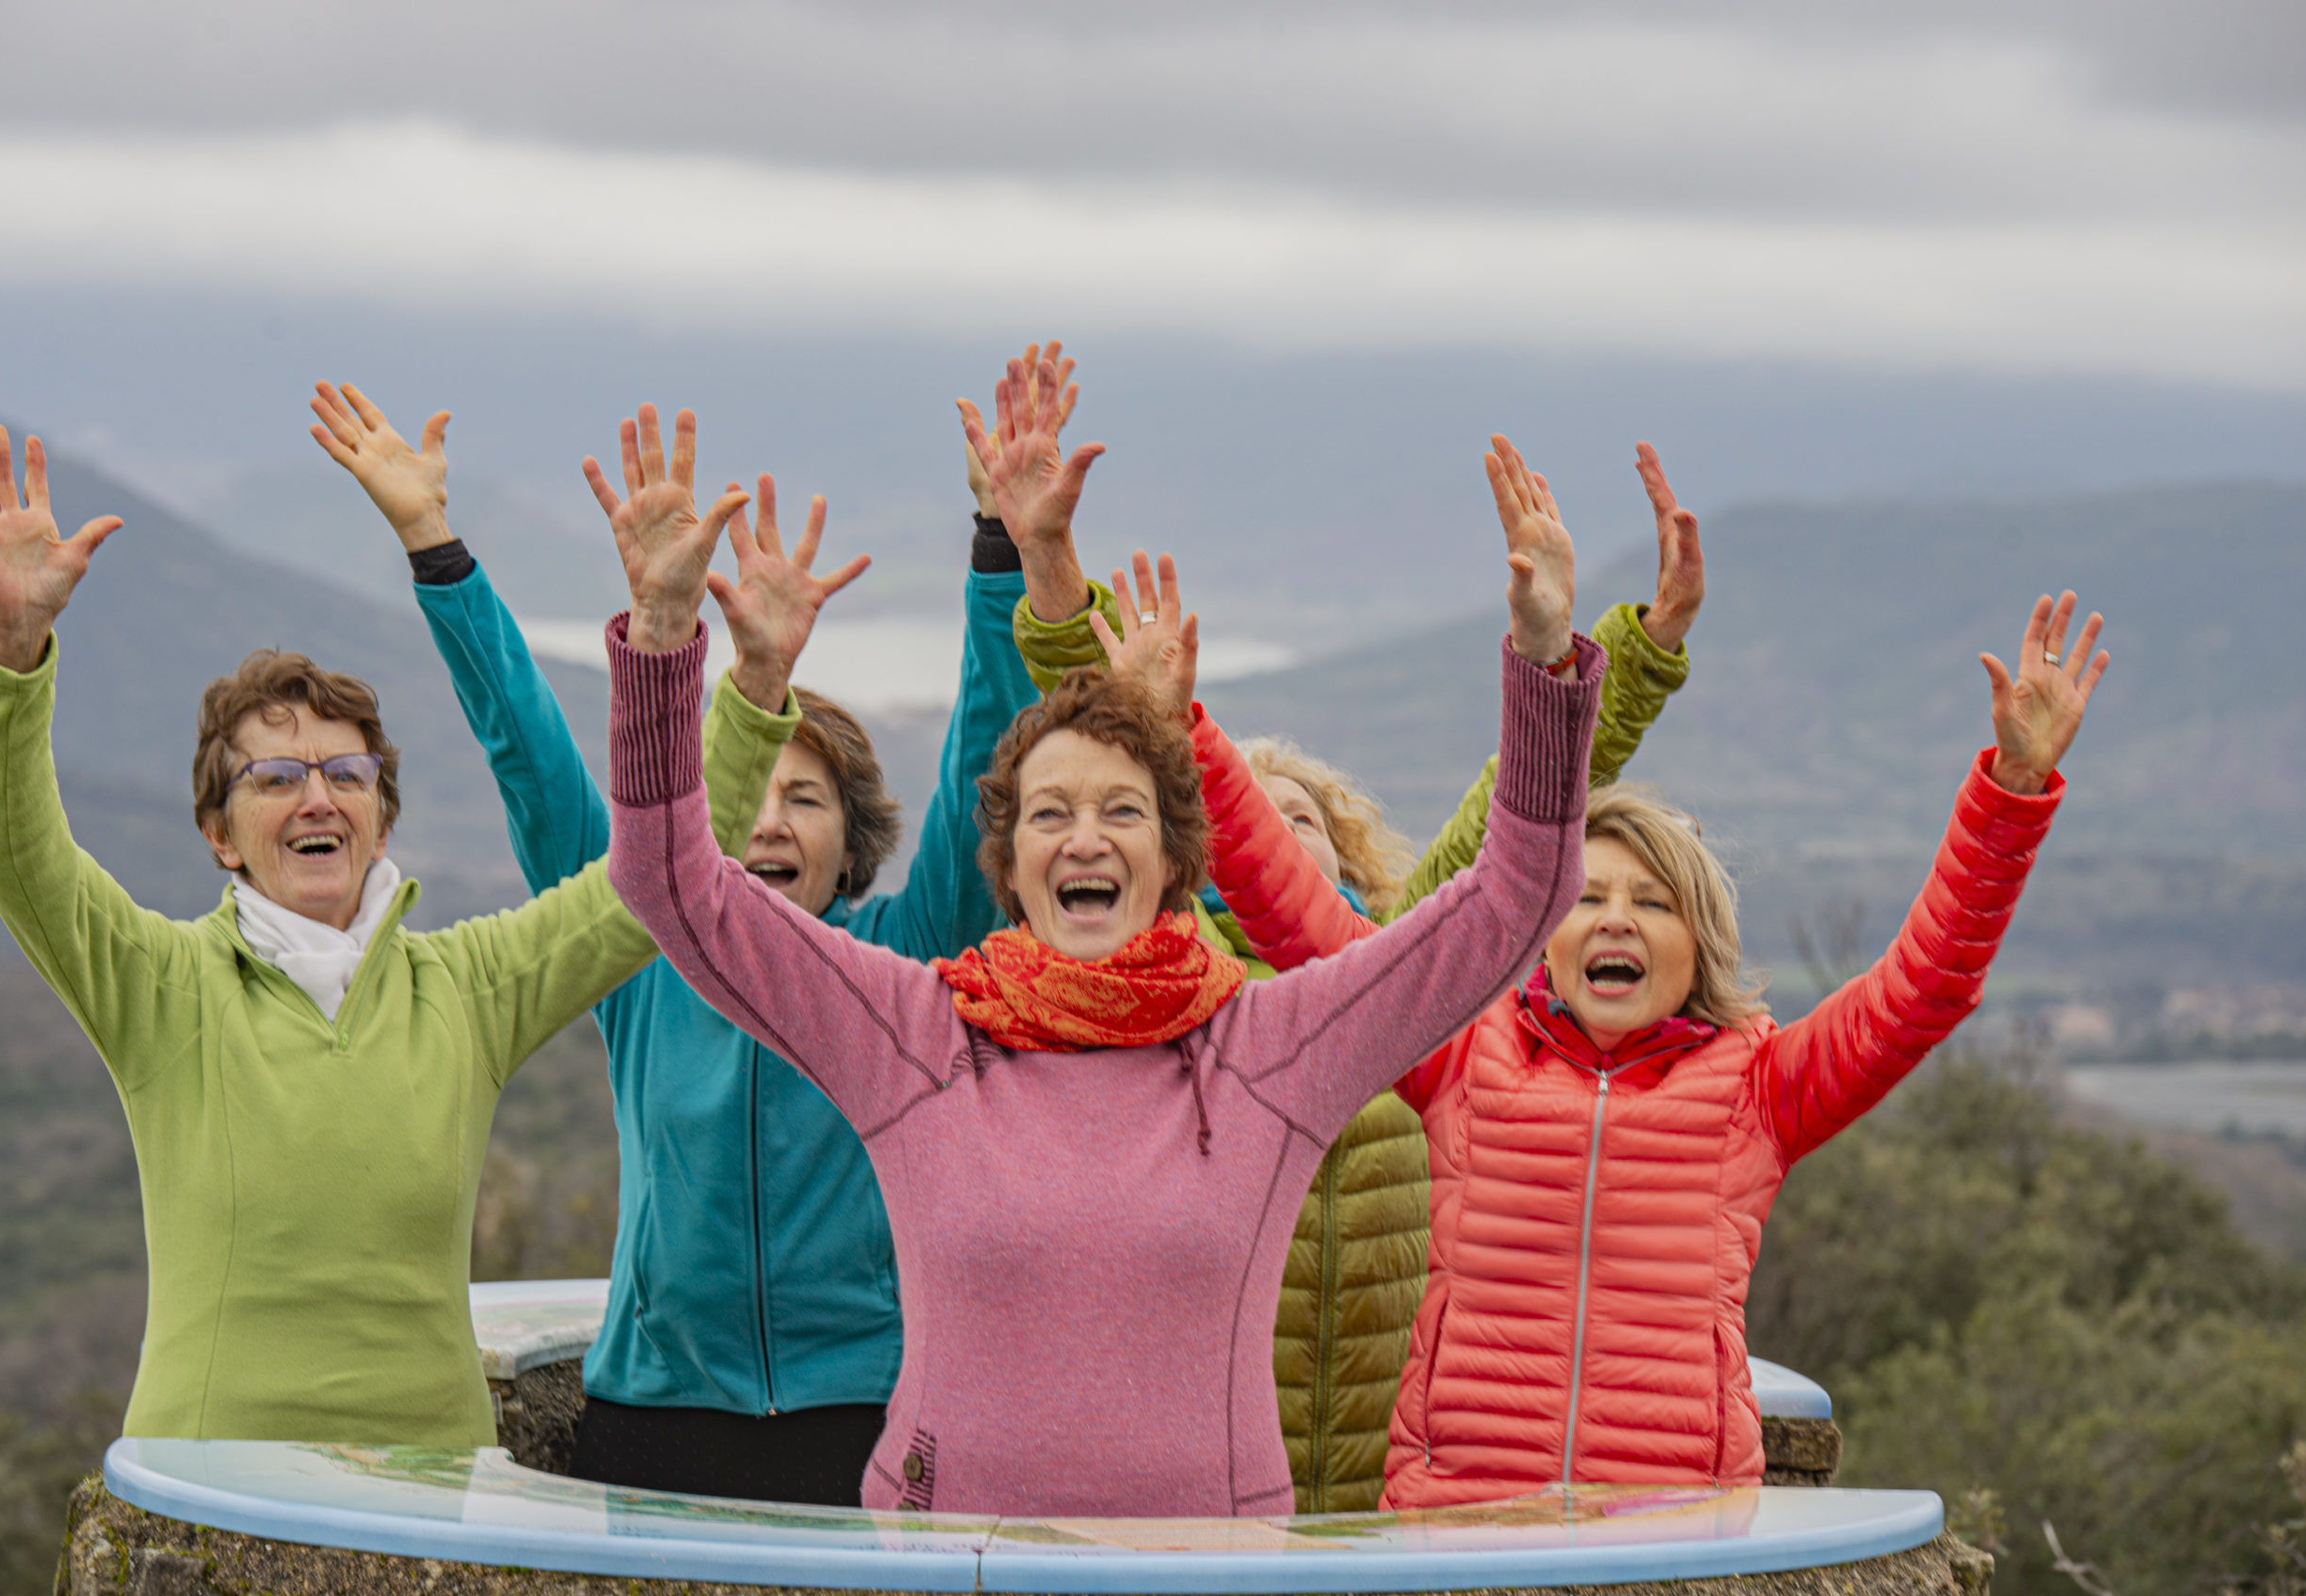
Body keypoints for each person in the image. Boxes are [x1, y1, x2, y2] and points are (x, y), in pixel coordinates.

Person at [597, 361, 1606, 1515]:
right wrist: (665, 637)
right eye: (1050, 813)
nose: (1085, 837)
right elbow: (672, 882)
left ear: (1173, 860)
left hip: (1206, 1570)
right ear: (1010, 864)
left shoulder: (1265, 1049)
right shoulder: (919, 1033)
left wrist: (1544, 664)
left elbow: (1515, 898)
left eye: (1122, 810)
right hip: (948, 1564)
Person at [308, 358, 1106, 1503]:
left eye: (807, 798)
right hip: (655, 1414)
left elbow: (989, 747)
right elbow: (526, 751)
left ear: (852, 836)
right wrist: (437, 548)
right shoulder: (638, 949)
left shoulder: (908, 953)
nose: (771, 822)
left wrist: (998, 546)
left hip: (871, 1408)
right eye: (756, 791)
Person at [1200, 566, 2108, 1501]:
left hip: (1675, 1535)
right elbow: (1299, 916)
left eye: (1653, 901)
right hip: (1456, 1525)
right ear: (1541, 933)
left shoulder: (1759, 1086)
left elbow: (1924, 987)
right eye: (1585, 897)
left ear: (1699, 941)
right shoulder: (1461, 1051)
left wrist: (2012, 790)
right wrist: (1182, 729)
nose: (1615, 919)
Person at [1006, 444, 1705, 1510]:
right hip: (1216, 1469)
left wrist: (1641, 647)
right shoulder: (1161, 988)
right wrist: (1051, 570)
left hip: (1388, 1466)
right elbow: (1102, 748)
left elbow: (1516, 816)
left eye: (1302, 817)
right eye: (1251, 813)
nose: (1275, 832)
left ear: (1345, 851)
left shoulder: (1398, 974)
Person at [0, 426, 654, 1448]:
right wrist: (16, 652)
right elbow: (11, 848)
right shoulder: (165, 987)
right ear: (220, 835)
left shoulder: (465, 988)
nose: (317, 796)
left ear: (381, 819)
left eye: (346, 774)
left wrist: (708, 656)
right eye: (274, 777)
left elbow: (654, 882)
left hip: (427, 1491)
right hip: (213, 1492)